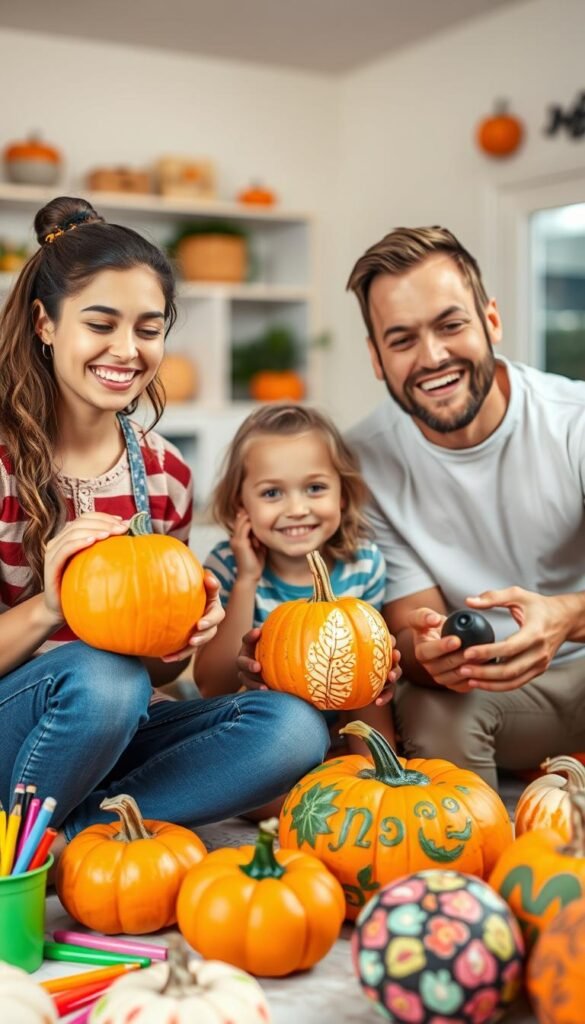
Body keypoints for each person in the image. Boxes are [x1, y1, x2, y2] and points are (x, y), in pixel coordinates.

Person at [0, 196, 330, 858]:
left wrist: (183, 633)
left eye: (148, 329)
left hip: (108, 730)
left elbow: (152, 671)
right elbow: (111, 678)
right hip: (26, 721)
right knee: (103, 679)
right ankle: (30, 843)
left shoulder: (164, 473)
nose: (127, 350)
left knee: (292, 728)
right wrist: (49, 609)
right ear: (45, 323)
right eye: (101, 324)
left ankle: (69, 841)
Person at [341, 224, 585, 789]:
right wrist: (432, 655)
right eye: (401, 340)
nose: (433, 357)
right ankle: (486, 865)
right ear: (377, 357)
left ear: (491, 320)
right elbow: (409, 627)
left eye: (451, 325)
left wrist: (566, 618)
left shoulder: (572, 419)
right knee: (429, 717)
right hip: (496, 693)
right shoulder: (363, 462)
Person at [197, 403, 396, 751]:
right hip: (263, 733)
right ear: (240, 504)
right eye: (272, 493)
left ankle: (371, 771)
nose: (296, 509)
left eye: (315, 488)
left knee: (367, 678)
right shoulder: (226, 566)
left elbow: (367, 683)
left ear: (343, 494)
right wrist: (246, 579)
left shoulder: (363, 564)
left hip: (339, 729)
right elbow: (213, 686)